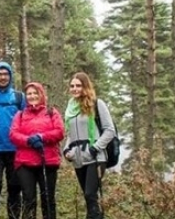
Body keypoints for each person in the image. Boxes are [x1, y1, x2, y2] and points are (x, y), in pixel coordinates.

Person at [62, 72, 115, 219]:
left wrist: (95, 148)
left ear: (85, 86)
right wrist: (66, 149)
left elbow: (109, 131)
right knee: (89, 199)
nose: (75, 88)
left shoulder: (97, 104)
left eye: (78, 85)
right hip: (78, 160)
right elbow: (71, 134)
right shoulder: (70, 108)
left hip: (96, 158)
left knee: (90, 194)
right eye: (72, 86)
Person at [9, 82, 64, 219]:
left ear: (41, 94)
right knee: (29, 200)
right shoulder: (20, 115)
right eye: (29, 94)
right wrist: (28, 140)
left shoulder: (52, 112)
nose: (32, 96)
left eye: (35, 93)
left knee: (48, 199)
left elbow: (59, 132)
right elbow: (13, 134)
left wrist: (43, 137)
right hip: (25, 163)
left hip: (48, 161)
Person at [0, 62, 24, 219]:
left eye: (5, 74)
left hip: (16, 149)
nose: (2, 77)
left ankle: (14, 216)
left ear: (10, 76)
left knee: (15, 187)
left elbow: (27, 119)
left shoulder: (19, 97)